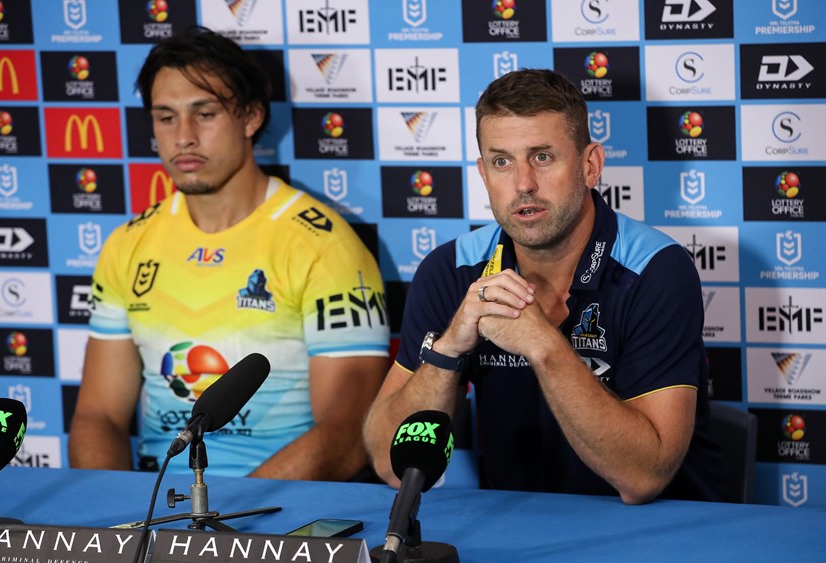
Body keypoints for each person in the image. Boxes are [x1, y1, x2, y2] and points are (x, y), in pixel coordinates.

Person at [362, 69, 725, 504]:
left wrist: (543, 345)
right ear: (483, 173)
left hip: (660, 533)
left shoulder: (655, 270)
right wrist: (449, 348)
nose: (523, 184)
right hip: (515, 531)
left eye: (543, 157)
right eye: (502, 161)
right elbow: (388, 461)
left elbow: (643, 477)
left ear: (590, 165)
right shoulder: (453, 270)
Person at [68, 27, 390, 480]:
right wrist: (114, 521)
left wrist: (223, 532)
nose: (184, 137)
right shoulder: (127, 243)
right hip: (159, 512)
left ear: (252, 117)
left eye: (205, 113)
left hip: (276, 521)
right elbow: (97, 415)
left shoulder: (325, 245)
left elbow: (345, 434)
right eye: (166, 117)